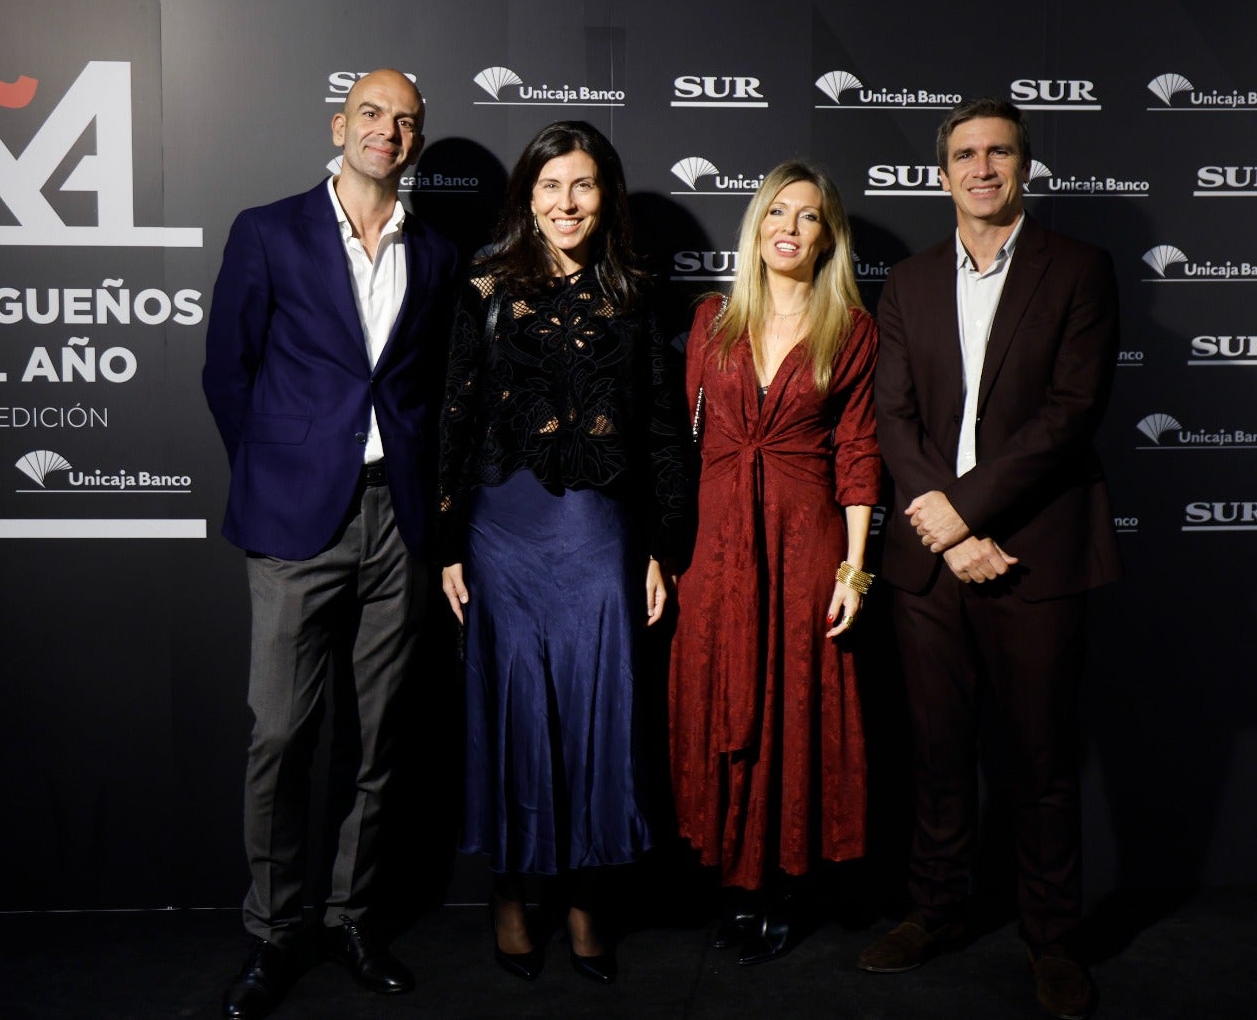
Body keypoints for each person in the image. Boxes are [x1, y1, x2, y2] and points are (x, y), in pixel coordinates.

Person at [202, 69, 459, 1019]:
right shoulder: (268, 229)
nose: (386, 131)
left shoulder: (433, 250)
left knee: (380, 732)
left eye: (404, 122)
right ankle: (275, 933)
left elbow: (427, 383)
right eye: (371, 115)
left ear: (416, 142)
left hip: (397, 517)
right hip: (293, 519)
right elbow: (227, 372)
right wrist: (276, 469)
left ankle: (352, 913)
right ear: (338, 124)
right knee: (279, 732)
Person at [861, 98, 1121, 1020]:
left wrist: (966, 513)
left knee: (1042, 759)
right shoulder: (908, 280)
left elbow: (1068, 415)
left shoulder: (1081, 270)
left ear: (1023, 166)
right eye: (964, 155)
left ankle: (1050, 938)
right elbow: (893, 417)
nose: (981, 168)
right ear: (942, 175)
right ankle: (935, 909)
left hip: (1038, 551)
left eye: (998, 152)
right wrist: (950, 533)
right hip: (931, 563)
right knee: (935, 750)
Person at [437, 120, 689, 985]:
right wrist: (446, 543)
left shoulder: (634, 292)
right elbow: (456, 416)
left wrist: (661, 544)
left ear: (604, 195)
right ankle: (510, 893)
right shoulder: (483, 286)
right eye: (550, 187)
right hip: (502, 528)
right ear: (528, 197)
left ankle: (586, 897)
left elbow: (661, 425)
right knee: (512, 715)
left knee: (595, 717)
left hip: (599, 533)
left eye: (581, 186)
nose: (566, 203)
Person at [668, 160, 880, 966]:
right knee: (723, 696)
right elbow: (677, 452)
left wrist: (853, 568)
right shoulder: (711, 321)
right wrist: (667, 552)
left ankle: (785, 883)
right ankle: (734, 881)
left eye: (810, 216)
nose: (789, 227)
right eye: (776, 212)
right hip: (717, 549)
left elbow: (859, 453)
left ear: (830, 236)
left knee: (795, 708)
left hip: (805, 546)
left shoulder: (853, 331)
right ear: (757, 226)